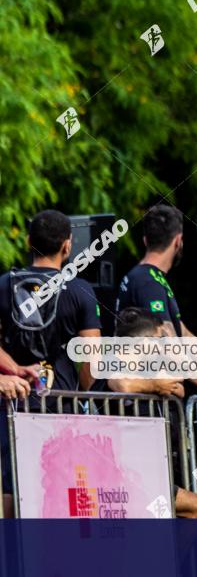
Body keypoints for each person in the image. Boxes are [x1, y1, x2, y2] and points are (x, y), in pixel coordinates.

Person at [0, 210, 101, 517]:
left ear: (29, 241)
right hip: (61, 413)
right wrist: (83, 390)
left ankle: (9, 562)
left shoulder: (4, 284)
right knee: (58, 496)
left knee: (10, 493)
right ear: (67, 247)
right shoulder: (81, 290)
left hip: (10, 409)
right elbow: (91, 361)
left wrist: (13, 367)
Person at [115, 204, 197, 402]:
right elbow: (169, 343)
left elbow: (185, 335)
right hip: (146, 404)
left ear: (145, 240)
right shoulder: (147, 282)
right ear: (178, 241)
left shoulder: (152, 279)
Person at [110, 307, 197, 518]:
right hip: (122, 478)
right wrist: (155, 385)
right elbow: (121, 384)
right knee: (196, 508)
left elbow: (178, 387)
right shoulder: (114, 364)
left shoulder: (152, 369)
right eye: (158, 341)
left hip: (152, 474)